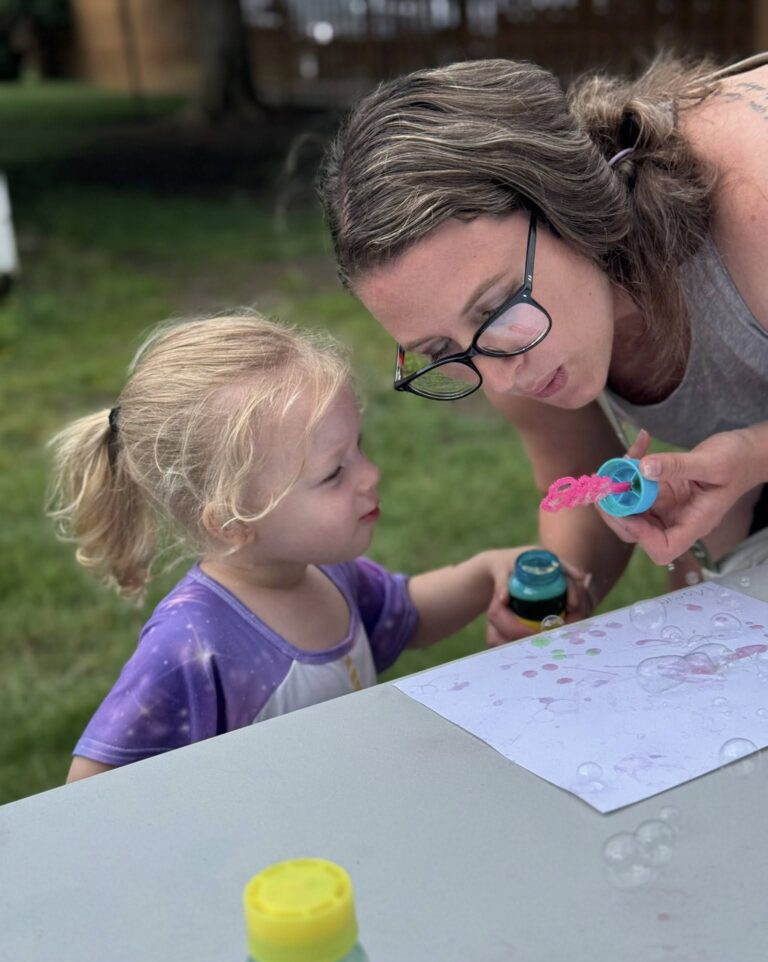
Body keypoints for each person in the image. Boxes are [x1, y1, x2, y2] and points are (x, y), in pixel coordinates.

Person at [317, 50, 768, 645]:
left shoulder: (751, 192)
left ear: (565, 200)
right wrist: (563, 588)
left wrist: (753, 459)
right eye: (437, 349)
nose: (500, 380)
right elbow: (578, 479)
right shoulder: (492, 348)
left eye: (495, 308)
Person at [49, 312, 536, 783]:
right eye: (334, 473)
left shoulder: (325, 574)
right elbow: (90, 786)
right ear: (234, 522)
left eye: (359, 448)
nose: (371, 475)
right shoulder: (192, 642)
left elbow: (405, 616)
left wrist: (483, 573)